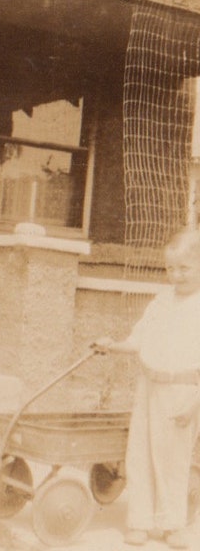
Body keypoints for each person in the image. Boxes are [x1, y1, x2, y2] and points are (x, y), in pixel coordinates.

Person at [95, 229, 200, 549]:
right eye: (171, 268)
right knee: (139, 453)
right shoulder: (161, 301)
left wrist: (194, 405)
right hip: (149, 386)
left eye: (185, 268)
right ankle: (139, 521)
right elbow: (139, 340)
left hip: (182, 392)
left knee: (173, 460)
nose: (176, 275)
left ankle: (171, 524)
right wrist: (112, 345)